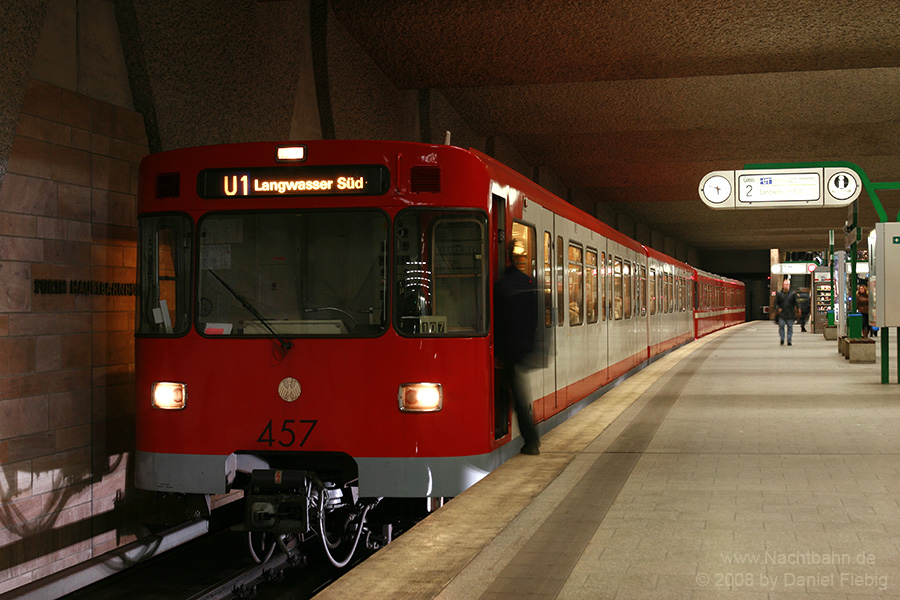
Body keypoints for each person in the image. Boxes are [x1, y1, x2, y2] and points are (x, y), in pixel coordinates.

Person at [494, 239, 540, 455]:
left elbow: (500, 322)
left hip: (508, 350)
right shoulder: (527, 282)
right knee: (517, 394)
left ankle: (531, 441)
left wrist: (500, 353)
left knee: (516, 396)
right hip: (523, 347)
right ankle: (530, 440)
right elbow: (534, 320)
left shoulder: (502, 285)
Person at [774, 278, 799, 346]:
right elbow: (776, 303)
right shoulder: (779, 293)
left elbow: (796, 303)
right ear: (782, 285)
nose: (786, 286)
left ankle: (789, 340)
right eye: (785, 284)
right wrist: (778, 308)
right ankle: (782, 338)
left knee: (790, 327)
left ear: (789, 285)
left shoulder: (793, 294)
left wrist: (798, 310)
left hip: (790, 313)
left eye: (787, 284)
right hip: (782, 313)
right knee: (781, 326)